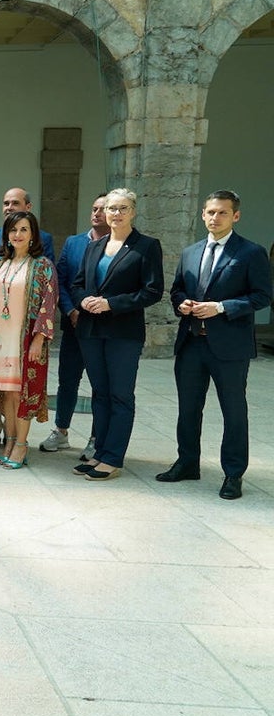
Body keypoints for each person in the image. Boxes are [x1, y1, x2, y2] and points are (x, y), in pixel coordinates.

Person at [159, 190, 272, 500]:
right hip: (192, 343)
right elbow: (177, 290)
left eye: (222, 213)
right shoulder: (190, 252)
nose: (215, 218)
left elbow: (262, 296)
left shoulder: (251, 252)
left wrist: (220, 307)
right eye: (210, 212)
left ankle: (233, 474)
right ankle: (187, 463)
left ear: (235, 216)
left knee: (234, 411)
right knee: (188, 409)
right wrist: (182, 305)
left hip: (230, 348)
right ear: (202, 214)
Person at [71, 188, 164, 481]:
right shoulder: (95, 246)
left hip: (123, 332)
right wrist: (83, 299)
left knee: (120, 395)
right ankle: (99, 452)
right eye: (111, 208)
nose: (116, 213)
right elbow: (77, 283)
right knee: (99, 394)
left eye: (123, 208)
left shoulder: (146, 246)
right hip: (91, 330)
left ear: (133, 212)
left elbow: (152, 291)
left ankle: (113, 458)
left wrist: (112, 303)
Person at [0, 187, 56, 451]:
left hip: (25, 343)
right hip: (0, 342)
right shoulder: (1, 263)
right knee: (5, 395)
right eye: (13, 230)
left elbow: (48, 305)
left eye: (24, 229)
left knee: (22, 394)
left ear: (33, 234)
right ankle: (9, 440)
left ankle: (21, 445)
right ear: (7, 235)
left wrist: (39, 339)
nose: (18, 235)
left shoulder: (43, 265)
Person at [39, 195, 108, 458]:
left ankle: (95, 437)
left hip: (101, 327)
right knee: (68, 381)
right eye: (94, 208)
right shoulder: (74, 242)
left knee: (99, 385)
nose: (97, 213)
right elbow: (61, 279)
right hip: (74, 325)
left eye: (103, 209)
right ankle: (61, 431)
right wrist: (69, 309)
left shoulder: (116, 245)